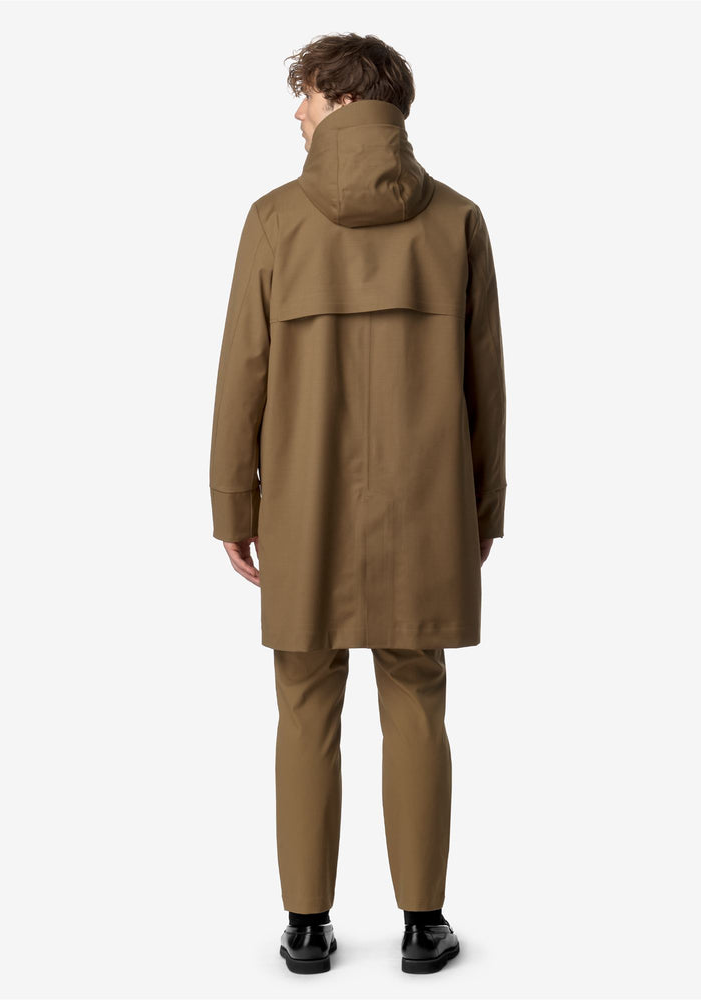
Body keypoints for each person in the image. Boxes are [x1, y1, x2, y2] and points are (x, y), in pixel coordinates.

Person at [209, 32, 506, 975]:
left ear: (340, 97)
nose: (296, 113)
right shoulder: (456, 220)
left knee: (305, 701)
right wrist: (482, 511)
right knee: (417, 695)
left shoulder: (273, 221)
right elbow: (485, 385)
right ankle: (424, 923)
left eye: (304, 96)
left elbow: (243, 375)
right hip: (427, 508)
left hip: (303, 506)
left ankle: (306, 925)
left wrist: (233, 504)